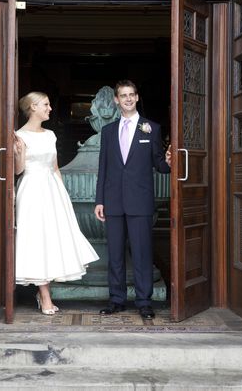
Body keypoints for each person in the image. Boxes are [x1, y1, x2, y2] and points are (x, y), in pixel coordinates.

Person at [14, 92, 99, 315]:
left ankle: (43, 293)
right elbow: (18, 170)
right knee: (37, 239)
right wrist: (20, 153)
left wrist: (64, 195)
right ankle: (44, 296)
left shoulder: (51, 134)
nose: (50, 108)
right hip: (31, 189)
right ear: (33, 107)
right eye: (46, 104)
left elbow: (54, 167)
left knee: (53, 238)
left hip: (53, 189)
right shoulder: (19, 135)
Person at [94, 80, 171, 319]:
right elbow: (104, 168)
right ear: (116, 100)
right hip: (113, 201)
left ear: (137, 98)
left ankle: (144, 301)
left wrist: (168, 162)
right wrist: (100, 200)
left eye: (131, 95)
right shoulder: (107, 132)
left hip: (140, 202)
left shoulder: (152, 128)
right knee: (114, 254)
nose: (127, 99)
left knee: (142, 253)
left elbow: (159, 165)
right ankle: (116, 300)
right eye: (123, 95)